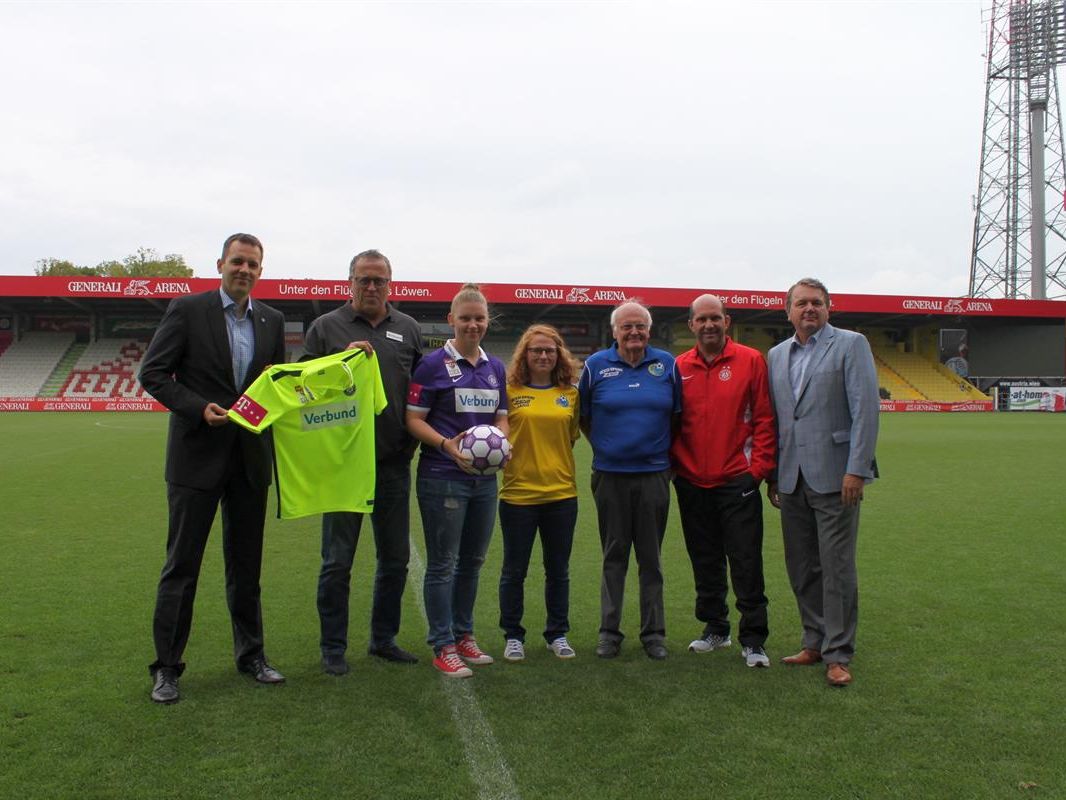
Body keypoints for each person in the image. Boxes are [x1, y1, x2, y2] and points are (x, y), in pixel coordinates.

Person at [139, 232, 287, 704]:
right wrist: (199, 407)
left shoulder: (272, 320)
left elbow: (273, 386)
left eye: (253, 264)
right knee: (181, 567)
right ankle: (166, 667)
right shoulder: (187, 310)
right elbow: (153, 374)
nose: (244, 270)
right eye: (237, 261)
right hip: (196, 458)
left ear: (261, 271)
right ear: (220, 264)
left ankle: (252, 656)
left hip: (249, 461)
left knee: (247, 568)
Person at [302, 249, 423, 675]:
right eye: (363, 280)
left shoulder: (408, 329)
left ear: (391, 284)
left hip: (392, 464)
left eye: (379, 280)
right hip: (343, 466)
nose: (371, 287)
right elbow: (302, 390)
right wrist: (338, 364)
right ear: (349, 282)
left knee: (395, 559)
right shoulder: (326, 327)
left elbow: (419, 395)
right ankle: (333, 646)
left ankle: (382, 639)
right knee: (337, 561)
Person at [766, 278, 879, 688]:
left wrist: (857, 469)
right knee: (801, 565)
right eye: (801, 303)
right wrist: (774, 474)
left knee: (837, 567)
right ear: (788, 310)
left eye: (816, 303)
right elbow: (780, 419)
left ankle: (838, 653)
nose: (808, 309)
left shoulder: (851, 344)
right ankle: (812, 641)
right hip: (791, 477)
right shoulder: (776, 355)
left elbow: (865, 410)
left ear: (829, 308)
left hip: (837, 476)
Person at [405, 284, 508, 678]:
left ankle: (464, 635)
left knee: (473, 562)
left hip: (484, 481)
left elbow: (502, 416)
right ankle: (443, 644)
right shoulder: (432, 365)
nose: (472, 324)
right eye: (465, 318)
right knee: (443, 564)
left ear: (487, 321)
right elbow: (413, 419)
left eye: (479, 318)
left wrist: (502, 441)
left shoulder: (494, 367)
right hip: (442, 477)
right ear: (452, 320)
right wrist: (448, 445)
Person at [670, 295, 775, 668]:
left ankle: (754, 639)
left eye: (715, 318)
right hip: (692, 481)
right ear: (692, 325)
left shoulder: (750, 360)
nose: (709, 325)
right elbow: (672, 424)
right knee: (705, 559)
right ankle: (715, 628)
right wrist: (676, 469)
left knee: (746, 560)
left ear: (726, 321)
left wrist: (756, 472)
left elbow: (764, 420)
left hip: (737, 481)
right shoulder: (678, 366)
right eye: (702, 319)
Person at [578, 301, 680, 660]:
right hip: (610, 477)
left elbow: (678, 418)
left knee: (650, 559)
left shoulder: (667, 364)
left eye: (640, 326)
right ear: (614, 331)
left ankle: (654, 633)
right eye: (627, 327)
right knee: (614, 556)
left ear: (648, 331)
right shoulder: (595, 367)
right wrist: (608, 449)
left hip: (654, 475)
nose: (634, 332)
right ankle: (609, 632)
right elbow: (584, 417)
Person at [497, 325, 581, 662]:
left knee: (558, 570)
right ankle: (513, 635)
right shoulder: (509, 391)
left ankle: (557, 633)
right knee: (514, 570)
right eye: (536, 351)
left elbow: (572, 436)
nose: (543, 356)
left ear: (558, 354)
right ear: (524, 355)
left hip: (561, 495)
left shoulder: (571, 394)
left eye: (550, 350)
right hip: (518, 496)